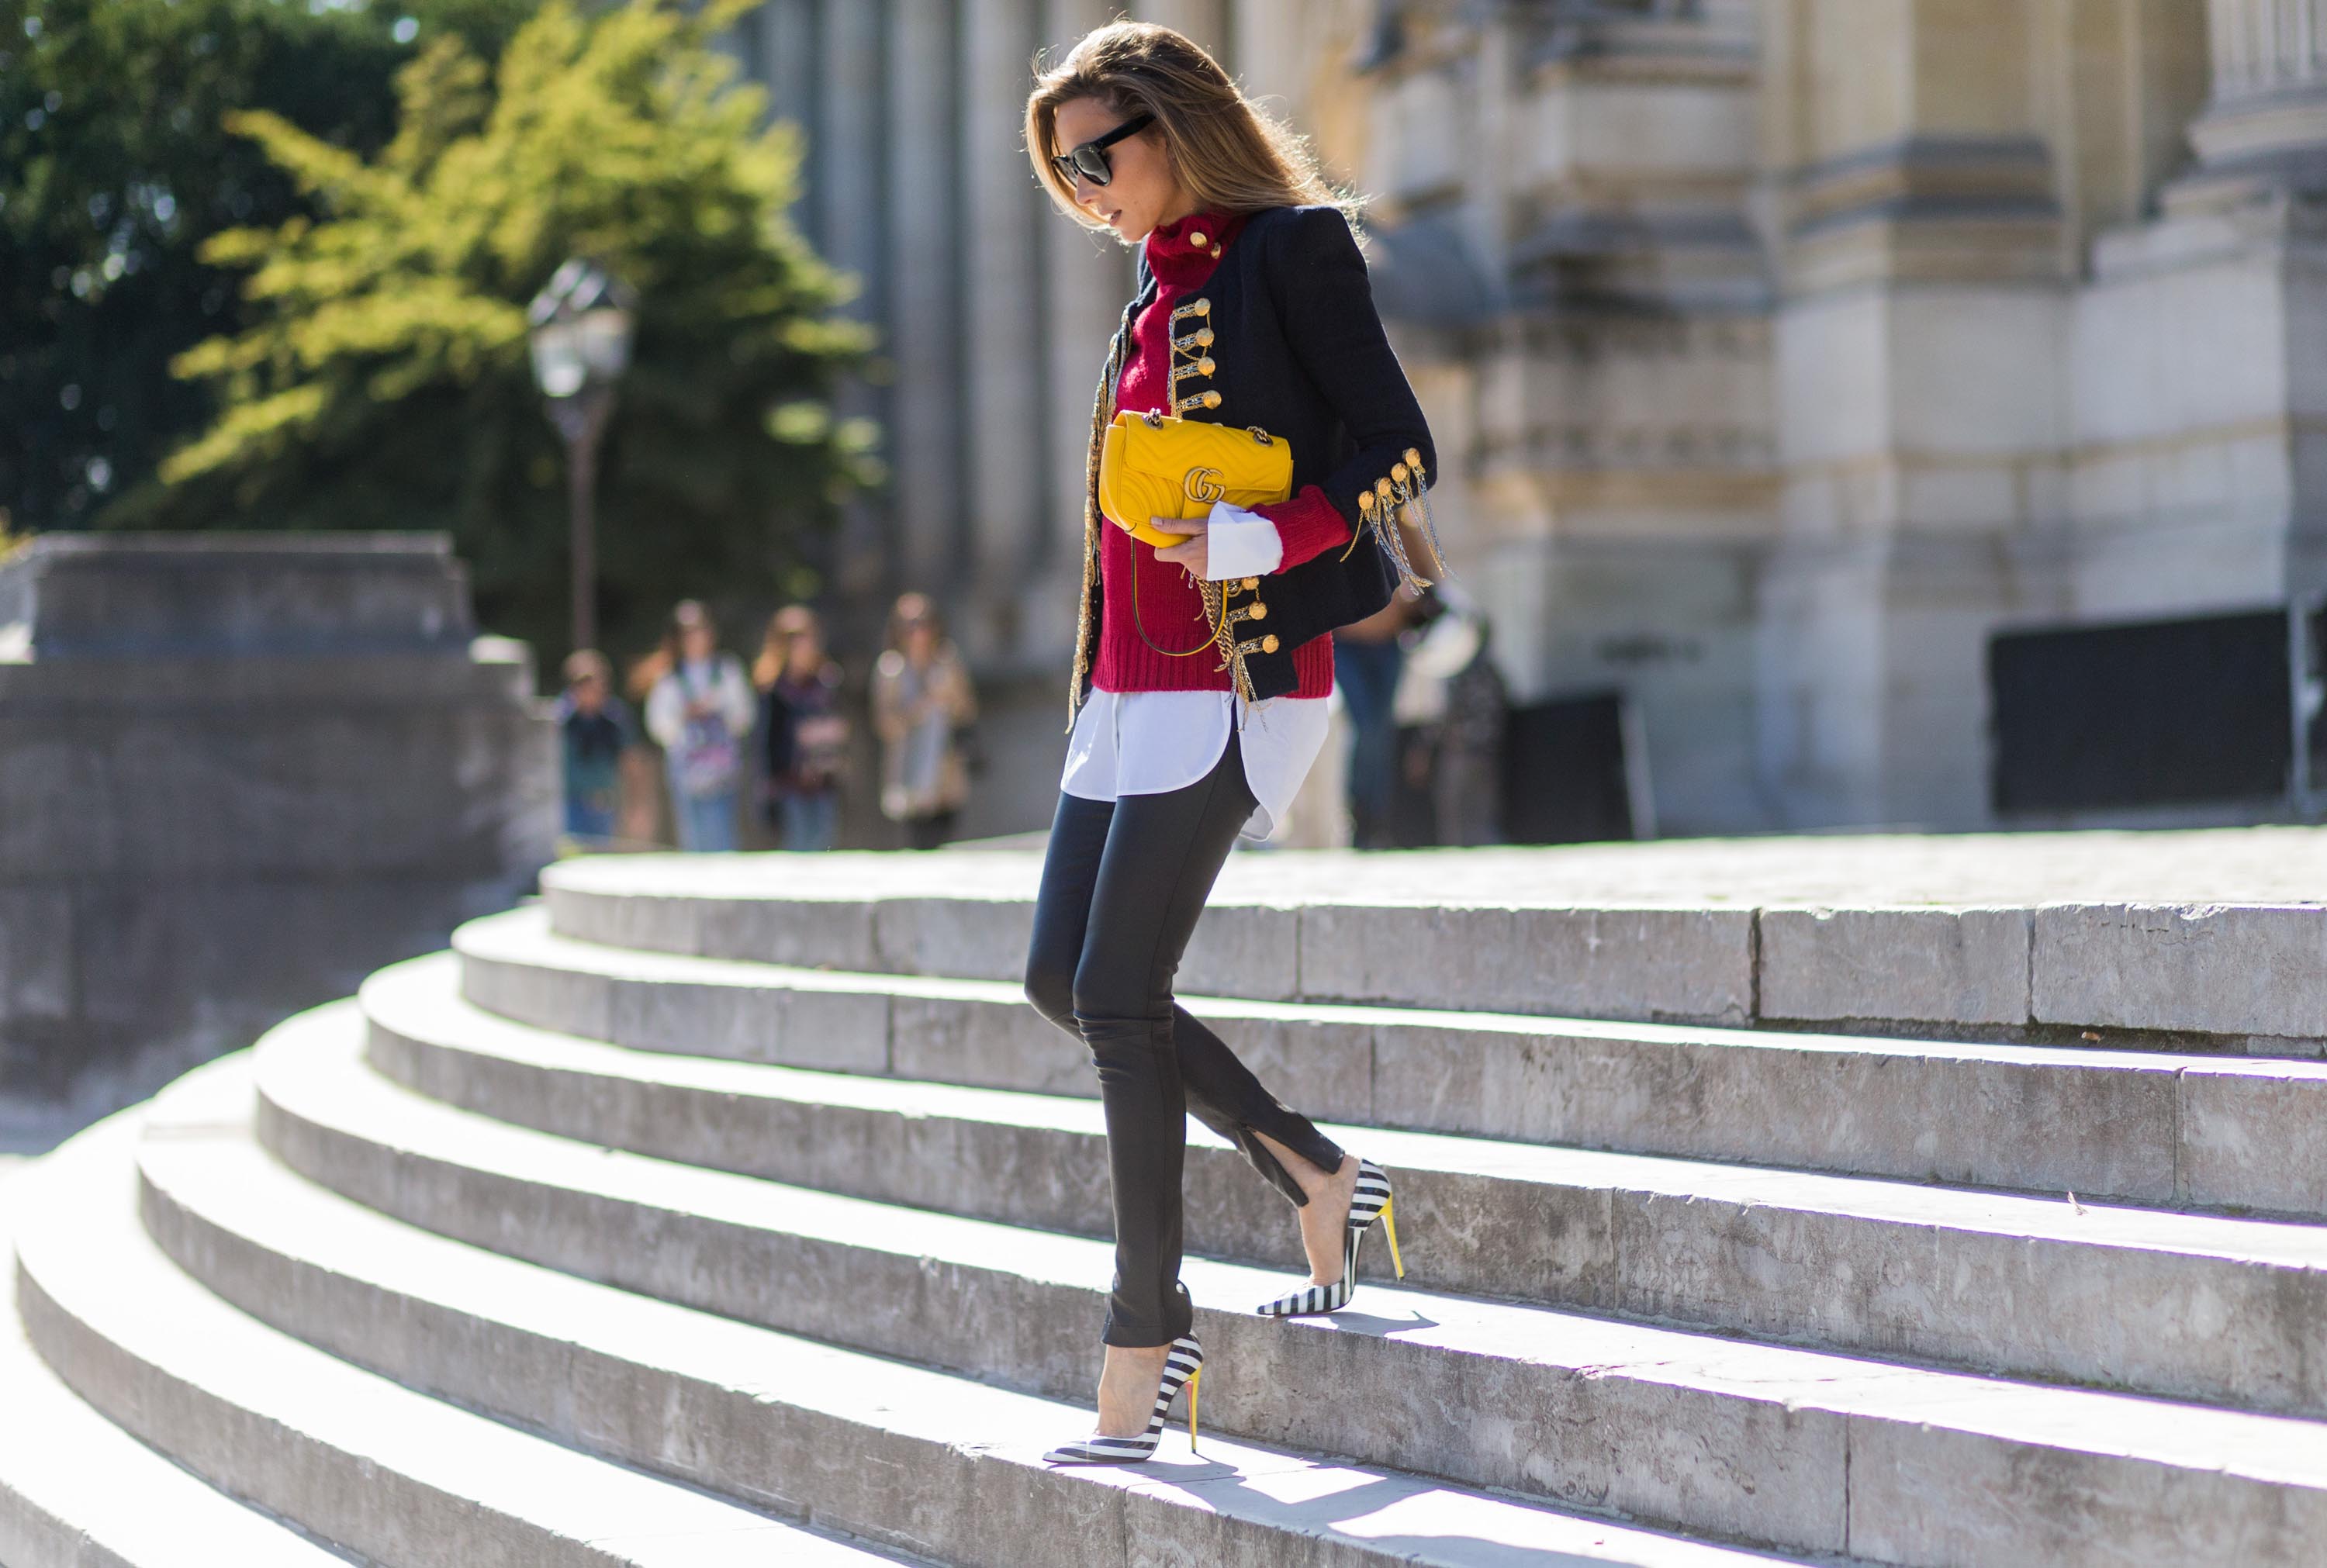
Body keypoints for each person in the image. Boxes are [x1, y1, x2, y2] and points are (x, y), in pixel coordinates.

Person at [1018, 21, 1437, 1466]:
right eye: (1064, 168)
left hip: (1233, 674)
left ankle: (1148, 1336)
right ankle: (1316, 1166)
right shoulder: (1149, 282)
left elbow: (1395, 445)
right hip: (1125, 686)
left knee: (1123, 996)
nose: (1086, 188)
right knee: (1057, 979)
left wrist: (1270, 530)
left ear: (1173, 124)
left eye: (1100, 155)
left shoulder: (1292, 249)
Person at [641, 600, 755, 853]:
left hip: (722, 768)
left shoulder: (727, 670)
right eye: (687, 632)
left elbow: (744, 717)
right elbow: (659, 725)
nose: (695, 638)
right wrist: (685, 717)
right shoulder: (669, 677)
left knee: (723, 834)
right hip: (687, 768)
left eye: (699, 630)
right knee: (692, 837)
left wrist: (715, 709)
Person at [870, 592, 977, 850]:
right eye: (910, 624)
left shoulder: (947, 661)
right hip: (907, 770)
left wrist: (948, 698)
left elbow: (967, 711)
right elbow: (885, 725)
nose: (918, 631)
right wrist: (920, 709)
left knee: (945, 844)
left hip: (945, 771)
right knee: (916, 847)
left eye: (923, 622)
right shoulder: (890, 668)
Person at [754, 605, 849, 852]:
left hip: (823, 780)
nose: (801, 644)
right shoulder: (772, 687)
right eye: (792, 638)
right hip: (789, 784)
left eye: (805, 636)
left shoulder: (827, 681)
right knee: (797, 849)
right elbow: (765, 742)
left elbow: (841, 727)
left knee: (823, 846)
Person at [554, 649, 639, 847]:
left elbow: (631, 763)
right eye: (583, 684)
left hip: (604, 806)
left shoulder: (616, 719)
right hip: (568, 806)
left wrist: (636, 807)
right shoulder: (558, 720)